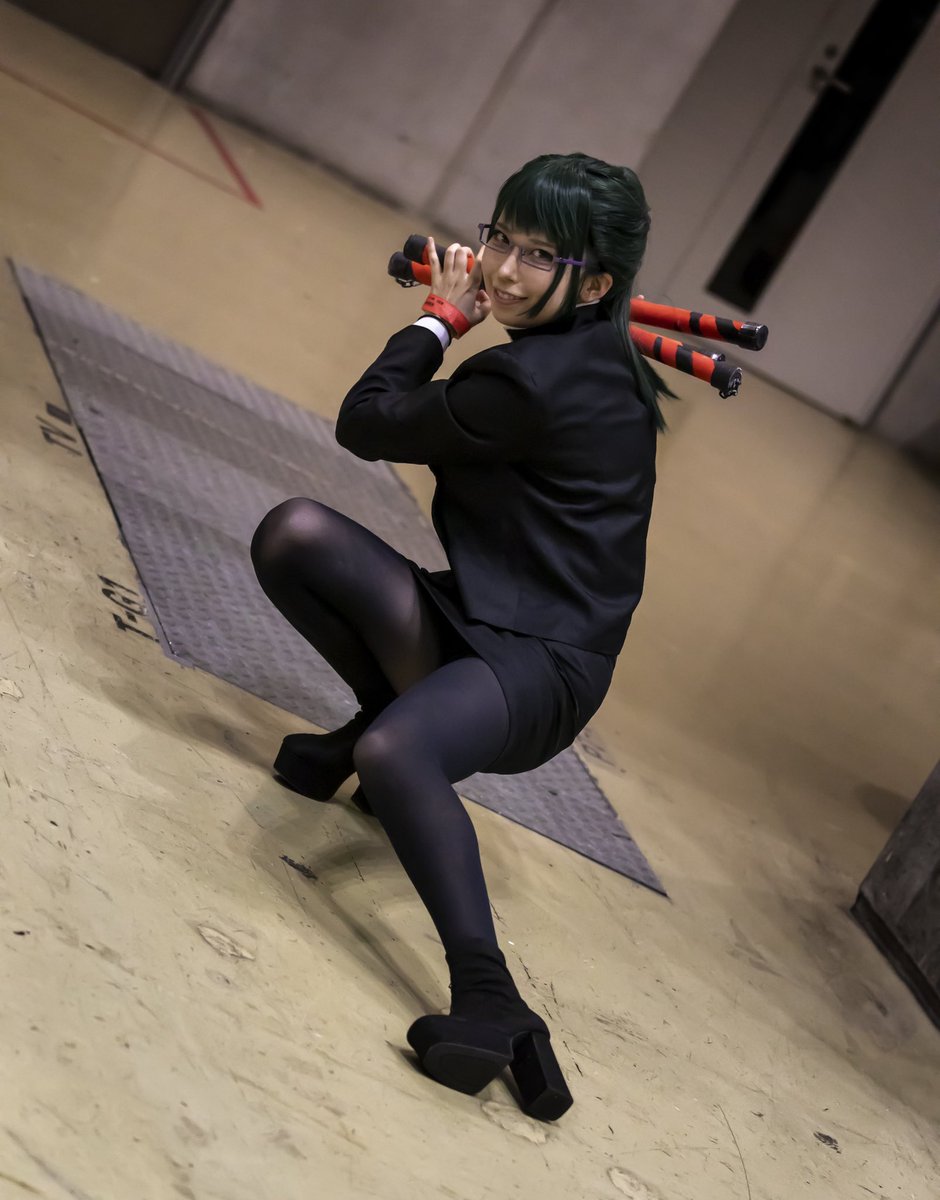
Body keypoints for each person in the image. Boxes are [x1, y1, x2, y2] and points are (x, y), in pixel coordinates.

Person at [250, 152, 671, 1122]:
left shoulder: (525, 384)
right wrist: (483, 308)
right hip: (485, 616)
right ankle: (364, 732)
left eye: (539, 256)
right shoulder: (598, 350)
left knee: (402, 754)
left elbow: (365, 423)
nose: (503, 270)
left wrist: (440, 319)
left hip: (539, 667)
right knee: (296, 536)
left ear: (595, 286)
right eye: (500, 239)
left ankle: (491, 995)